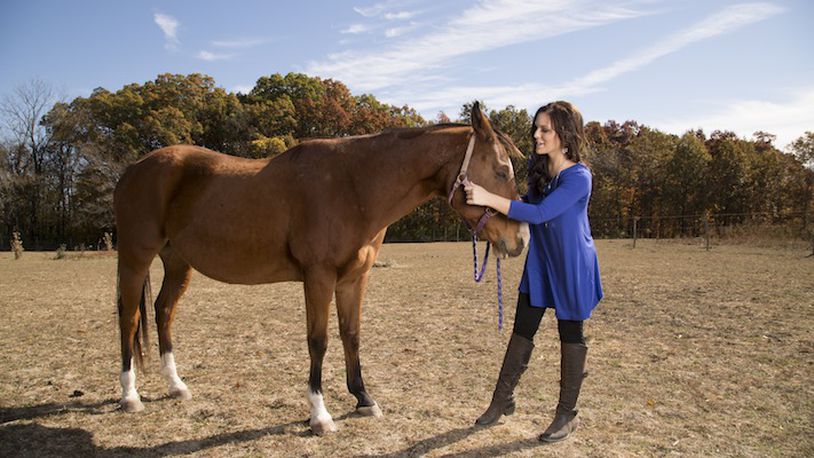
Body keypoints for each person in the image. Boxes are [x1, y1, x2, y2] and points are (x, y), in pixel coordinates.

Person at [463, 100, 603, 443]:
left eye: (545, 129)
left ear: (564, 135)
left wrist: (487, 196)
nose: (537, 135)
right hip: (542, 263)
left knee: (571, 336)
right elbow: (525, 203)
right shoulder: (541, 174)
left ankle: (567, 415)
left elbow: (540, 214)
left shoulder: (578, 177)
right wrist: (485, 197)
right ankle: (501, 400)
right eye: (536, 128)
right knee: (522, 331)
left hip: (572, 266)